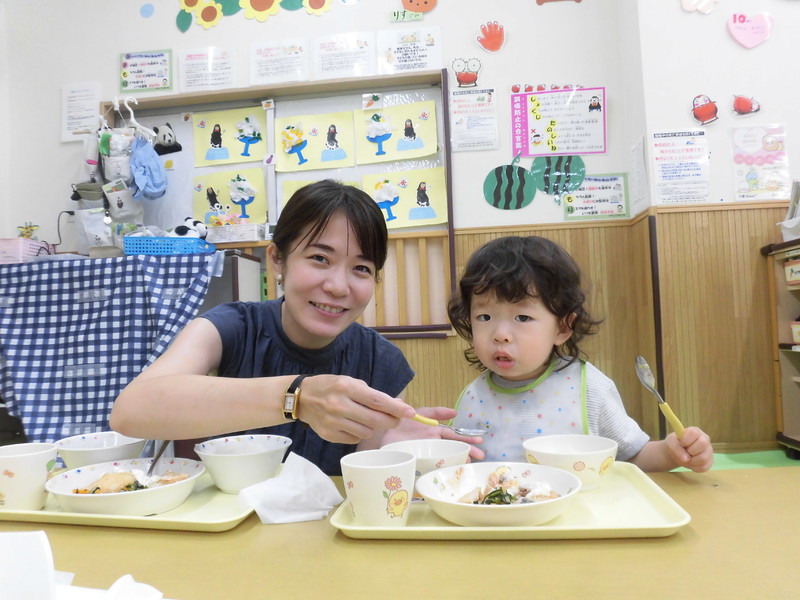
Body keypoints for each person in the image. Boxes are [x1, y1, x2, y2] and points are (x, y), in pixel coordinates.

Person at [110, 179, 483, 475]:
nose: (339, 286)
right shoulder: (229, 328)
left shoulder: (379, 360)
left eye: (361, 269)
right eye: (320, 258)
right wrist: (298, 399)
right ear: (278, 260)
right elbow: (130, 411)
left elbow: (356, 478)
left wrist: (394, 448)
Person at [446, 235, 713, 473]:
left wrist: (671, 452)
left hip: (578, 523)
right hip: (495, 524)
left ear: (563, 327)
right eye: (484, 316)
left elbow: (633, 458)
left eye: (523, 317)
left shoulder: (589, 389)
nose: (500, 334)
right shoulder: (472, 396)